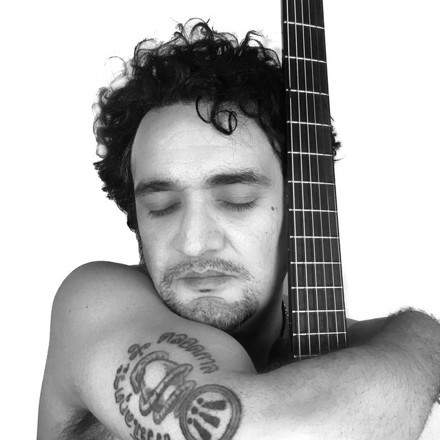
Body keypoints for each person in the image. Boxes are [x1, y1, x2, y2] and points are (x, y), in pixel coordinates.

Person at [38, 21, 440, 440]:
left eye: (237, 200)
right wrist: (424, 340)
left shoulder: (366, 352)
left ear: (303, 206)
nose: (194, 242)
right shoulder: (94, 306)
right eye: (162, 207)